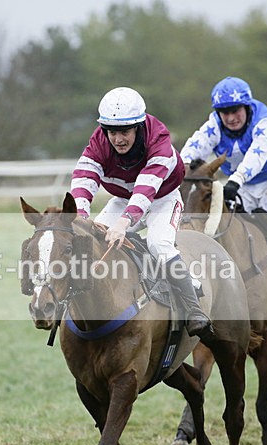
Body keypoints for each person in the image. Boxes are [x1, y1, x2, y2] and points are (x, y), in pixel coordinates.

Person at [70, 87, 212, 338]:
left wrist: (123, 224)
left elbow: (146, 190)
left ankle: (194, 309)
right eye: (112, 132)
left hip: (163, 199)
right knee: (90, 241)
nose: (118, 139)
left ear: (138, 127)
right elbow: (84, 178)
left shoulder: (159, 140)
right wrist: (80, 218)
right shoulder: (99, 142)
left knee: (159, 244)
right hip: (123, 199)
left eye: (124, 131)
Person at [180, 76, 267, 307]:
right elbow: (193, 147)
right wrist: (179, 169)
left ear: (247, 107)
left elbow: (256, 156)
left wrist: (236, 180)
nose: (230, 118)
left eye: (235, 111)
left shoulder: (264, 121)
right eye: (224, 112)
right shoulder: (214, 125)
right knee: (228, 225)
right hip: (243, 186)